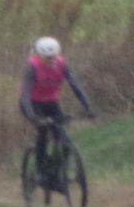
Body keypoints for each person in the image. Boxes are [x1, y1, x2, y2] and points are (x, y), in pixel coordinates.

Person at [20, 36, 96, 171]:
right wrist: (33, 117)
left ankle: (60, 171)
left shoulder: (62, 65)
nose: (51, 60)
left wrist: (88, 107)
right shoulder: (32, 68)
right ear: (40, 56)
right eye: (47, 57)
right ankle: (41, 170)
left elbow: (76, 87)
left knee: (64, 139)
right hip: (33, 104)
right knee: (43, 132)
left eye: (53, 56)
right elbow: (25, 94)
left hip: (51, 102)